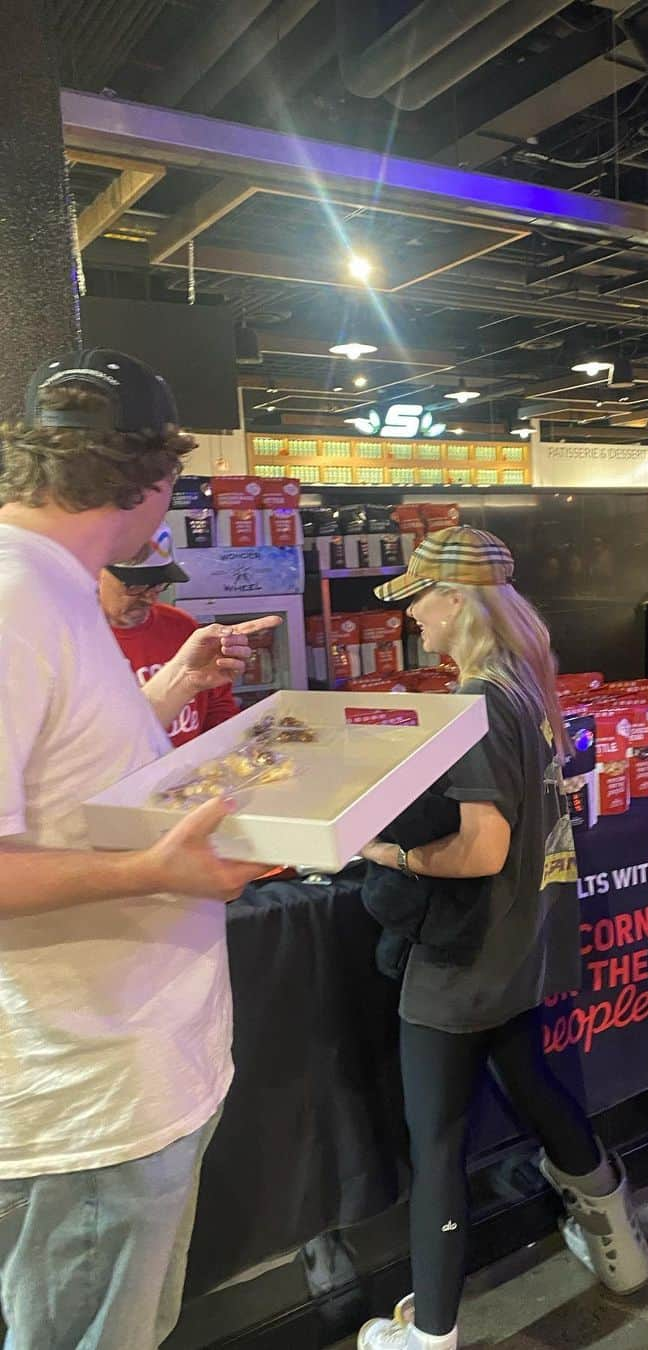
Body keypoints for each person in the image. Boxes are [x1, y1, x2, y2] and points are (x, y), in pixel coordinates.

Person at [0, 349, 277, 1350]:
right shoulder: (17, 594)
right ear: (153, 482)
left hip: (127, 1072)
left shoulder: (55, 584)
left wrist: (169, 688)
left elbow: (67, 783)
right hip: (86, 1096)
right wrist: (148, 873)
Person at [355, 526, 648, 1350]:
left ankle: (432, 1332)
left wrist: (389, 851)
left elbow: (482, 849)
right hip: (522, 951)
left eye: (421, 597)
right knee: (536, 1085)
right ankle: (622, 1248)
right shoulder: (527, 686)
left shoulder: (477, 701)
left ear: (457, 601)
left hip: (463, 960)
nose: (413, 615)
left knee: (437, 1145)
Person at [100, 523, 241, 747]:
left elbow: (217, 706)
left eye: (157, 586)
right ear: (95, 572)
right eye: (136, 586)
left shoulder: (182, 626)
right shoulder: (74, 641)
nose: (149, 598)